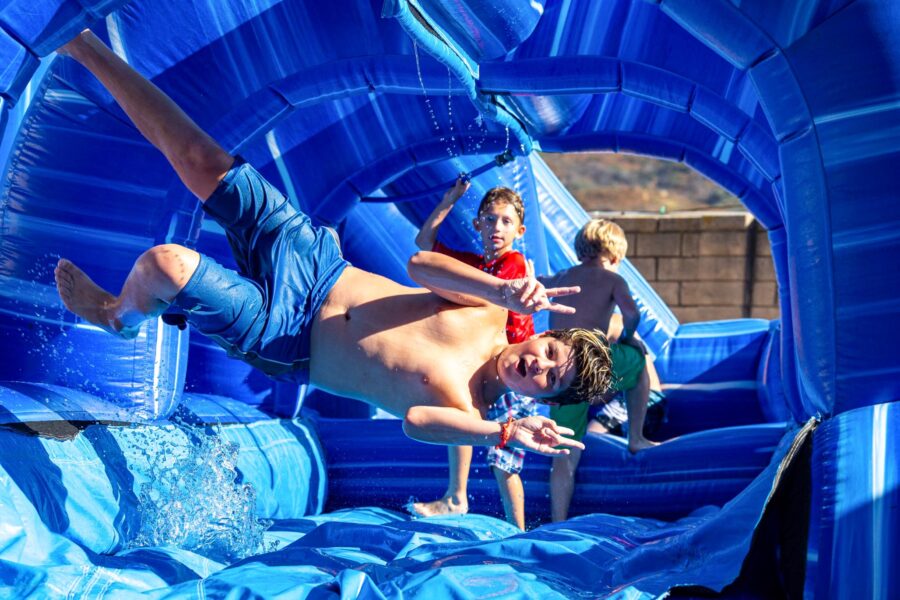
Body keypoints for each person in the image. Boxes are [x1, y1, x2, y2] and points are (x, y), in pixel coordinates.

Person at [52, 30, 613, 458]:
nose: (538, 369)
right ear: (549, 337)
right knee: (204, 161)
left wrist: (503, 431)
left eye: (550, 382)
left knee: (163, 266)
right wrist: (502, 290)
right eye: (552, 356)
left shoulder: (473, 410)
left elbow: (415, 422)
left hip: (286, 337)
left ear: (541, 402)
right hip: (315, 263)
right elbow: (420, 265)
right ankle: (84, 47)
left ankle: (113, 314)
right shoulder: (493, 309)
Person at [410, 179, 537, 529]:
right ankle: (456, 497)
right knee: (457, 415)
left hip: (515, 376)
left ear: (520, 230)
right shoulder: (476, 268)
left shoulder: (513, 265)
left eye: (506, 221)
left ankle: (517, 531)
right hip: (484, 370)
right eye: (491, 219)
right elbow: (424, 244)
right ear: (477, 223)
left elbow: (491, 300)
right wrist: (449, 199)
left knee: (502, 461)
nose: (497, 227)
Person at [542, 219, 666, 522]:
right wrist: (627, 339)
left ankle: (557, 521)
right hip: (590, 362)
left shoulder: (561, 277)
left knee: (565, 452)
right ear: (615, 256)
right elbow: (632, 315)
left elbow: (535, 285)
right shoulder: (612, 279)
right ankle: (636, 436)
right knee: (639, 362)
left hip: (559, 373)